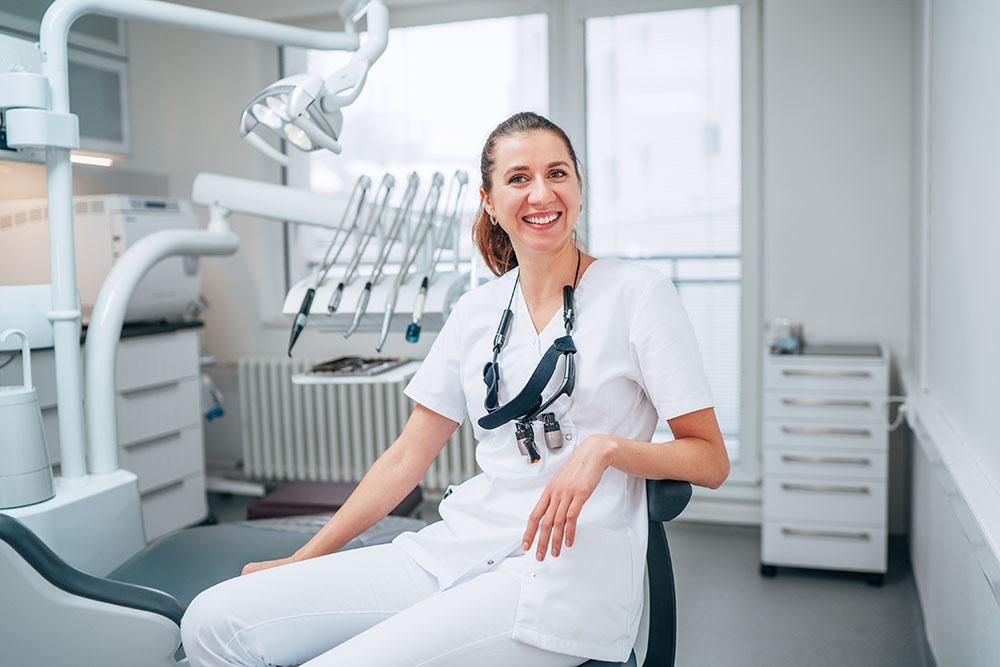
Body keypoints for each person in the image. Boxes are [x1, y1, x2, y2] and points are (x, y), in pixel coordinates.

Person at [180, 111, 730, 667]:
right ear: (490, 201)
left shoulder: (639, 294)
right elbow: (405, 458)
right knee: (212, 620)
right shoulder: (476, 311)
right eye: (519, 178)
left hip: (566, 574)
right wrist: (305, 558)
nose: (542, 193)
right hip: (458, 544)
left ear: (578, 189)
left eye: (557, 173)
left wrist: (606, 449)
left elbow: (710, 460)